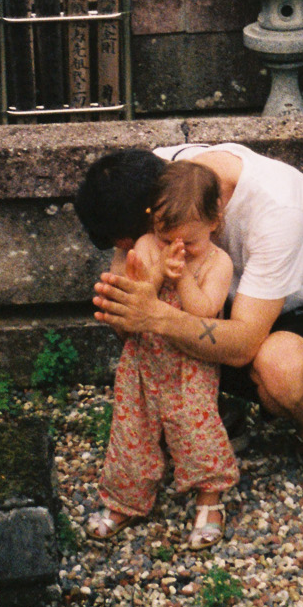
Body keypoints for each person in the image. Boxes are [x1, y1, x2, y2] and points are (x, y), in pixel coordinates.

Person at [74, 141, 303, 516]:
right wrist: (128, 296)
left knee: (279, 370)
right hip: (227, 308)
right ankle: (207, 414)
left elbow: (244, 343)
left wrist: (152, 316)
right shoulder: (156, 173)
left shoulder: (278, 210)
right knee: (132, 288)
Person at [83, 158, 239, 550]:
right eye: (167, 239)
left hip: (192, 365)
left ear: (214, 223)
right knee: (130, 431)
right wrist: (152, 276)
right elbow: (141, 294)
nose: (177, 249)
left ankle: (210, 496)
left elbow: (204, 311)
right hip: (143, 360)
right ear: (154, 222)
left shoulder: (217, 262)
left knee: (197, 430)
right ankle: (124, 499)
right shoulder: (149, 244)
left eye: (189, 243)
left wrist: (182, 274)